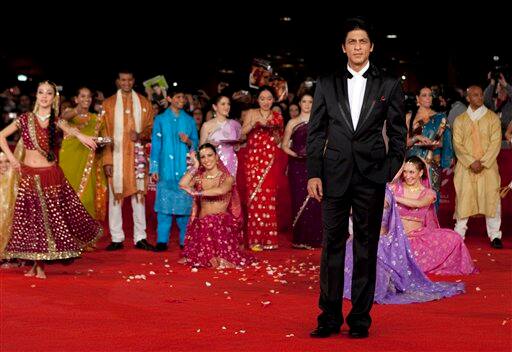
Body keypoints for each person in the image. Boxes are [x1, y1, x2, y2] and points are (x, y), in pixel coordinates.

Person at [306, 17, 407, 339]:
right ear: (344, 47)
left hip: (371, 175)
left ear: (371, 46)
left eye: (363, 41)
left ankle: (361, 318)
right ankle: (329, 317)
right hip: (333, 175)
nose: (358, 47)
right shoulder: (326, 82)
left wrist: (390, 168)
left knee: (366, 247)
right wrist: (314, 173)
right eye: (352, 41)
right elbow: (315, 131)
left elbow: (398, 132)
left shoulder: (388, 83)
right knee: (332, 246)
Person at [0, 81, 102, 278]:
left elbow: (72, 131)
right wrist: (12, 159)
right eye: (41, 92)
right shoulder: (25, 119)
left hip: (50, 176)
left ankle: (40, 266)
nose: (44, 96)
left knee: (48, 219)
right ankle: (35, 265)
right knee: (31, 220)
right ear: (36, 96)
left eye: (48, 93)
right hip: (28, 175)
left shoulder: (56, 120)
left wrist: (84, 138)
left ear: (54, 97)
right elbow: (1, 136)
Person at [344, 184, 465, 304]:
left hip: (381, 245)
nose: (408, 176)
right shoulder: (362, 190)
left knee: (375, 281)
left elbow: (373, 210)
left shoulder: (385, 193)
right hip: (361, 241)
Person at [389, 156, 477, 274]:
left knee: (455, 238)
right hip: (398, 238)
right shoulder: (395, 187)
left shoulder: (429, 193)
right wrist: (396, 174)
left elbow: (418, 204)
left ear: (420, 173)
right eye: (405, 171)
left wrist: (394, 197)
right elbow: (383, 191)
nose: (407, 176)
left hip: (418, 238)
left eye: (411, 172)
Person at [102, 70, 155, 251]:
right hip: (116, 158)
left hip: (137, 156)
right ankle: (117, 238)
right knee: (115, 197)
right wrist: (107, 161)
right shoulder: (108, 104)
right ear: (117, 81)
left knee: (138, 196)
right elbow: (104, 134)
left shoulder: (144, 103)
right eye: (123, 80)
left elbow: (151, 129)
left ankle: (140, 237)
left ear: (133, 81)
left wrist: (140, 135)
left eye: (129, 80)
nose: (126, 83)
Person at [178, 143, 252, 268]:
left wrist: (198, 192)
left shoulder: (227, 178)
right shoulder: (199, 178)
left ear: (217, 157)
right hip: (203, 227)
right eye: (202, 157)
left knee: (212, 222)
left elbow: (221, 190)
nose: (206, 160)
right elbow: (182, 184)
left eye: (209, 155)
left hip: (220, 227)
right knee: (206, 223)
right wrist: (195, 166)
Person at [453, 85, 503, 249]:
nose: (479, 97)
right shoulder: (460, 120)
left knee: (491, 199)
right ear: (468, 98)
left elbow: (496, 143)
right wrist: (470, 161)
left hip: (487, 167)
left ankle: (495, 235)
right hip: (466, 168)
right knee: (464, 198)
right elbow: (457, 145)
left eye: (481, 95)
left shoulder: (493, 118)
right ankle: (459, 233)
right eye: (475, 95)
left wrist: (483, 162)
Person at [149, 89, 198, 251]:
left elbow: (196, 145)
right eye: (178, 97)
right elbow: (156, 145)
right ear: (169, 98)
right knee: (164, 208)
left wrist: (188, 141)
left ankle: (185, 241)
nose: (181, 99)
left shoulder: (189, 121)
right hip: (165, 169)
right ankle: (162, 241)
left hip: (184, 170)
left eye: (183, 96)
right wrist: (154, 168)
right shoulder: (161, 120)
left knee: (184, 208)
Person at [241, 86, 284, 251]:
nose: (266, 102)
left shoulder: (277, 116)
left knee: (268, 198)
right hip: (253, 161)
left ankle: (269, 239)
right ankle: (255, 240)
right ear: (257, 100)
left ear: (273, 100)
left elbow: (278, 140)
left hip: (269, 161)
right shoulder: (251, 113)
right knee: (254, 199)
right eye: (262, 98)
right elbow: (242, 134)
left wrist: (273, 131)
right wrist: (252, 125)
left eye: (269, 98)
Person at [59, 87, 107, 220]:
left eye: (89, 97)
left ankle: (86, 232)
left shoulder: (97, 119)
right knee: (67, 196)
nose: (86, 99)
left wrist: (100, 141)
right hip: (69, 161)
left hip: (88, 161)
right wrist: (77, 110)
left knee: (87, 198)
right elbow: (63, 118)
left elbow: (107, 138)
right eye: (82, 96)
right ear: (76, 99)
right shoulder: (68, 114)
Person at [282, 93, 322, 248]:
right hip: (297, 166)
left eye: (310, 101)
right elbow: (285, 145)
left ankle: (317, 238)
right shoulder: (293, 122)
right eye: (304, 101)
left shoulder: (319, 121)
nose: (307, 104)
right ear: (299, 103)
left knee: (316, 199)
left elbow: (325, 142)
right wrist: (297, 154)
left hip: (315, 164)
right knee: (299, 198)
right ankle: (301, 239)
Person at [406, 87, 453, 210]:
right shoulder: (409, 117)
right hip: (412, 164)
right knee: (411, 197)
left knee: (431, 198)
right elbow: (404, 142)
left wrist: (435, 145)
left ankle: (431, 228)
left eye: (430, 95)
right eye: (424, 95)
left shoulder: (440, 118)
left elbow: (445, 143)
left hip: (431, 162)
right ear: (417, 98)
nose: (428, 98)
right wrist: (417, 138)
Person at [199, 95, 241, 176]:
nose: (227, 106)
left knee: (231, 187)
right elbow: (201, 150)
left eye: (228, 104)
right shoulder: (207, 125)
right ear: (215, 107)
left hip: (231, 162)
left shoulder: (235, 124)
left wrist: (237, 146)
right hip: (213, 163)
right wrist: (208, 143)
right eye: (223, 104)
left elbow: (238, 146)